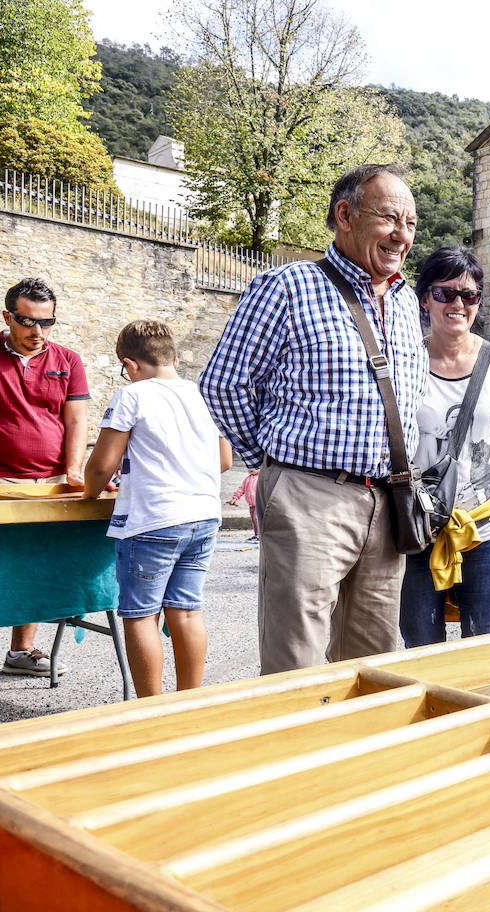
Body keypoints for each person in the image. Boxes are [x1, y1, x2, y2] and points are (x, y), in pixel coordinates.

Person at [199, 163, 427, 674]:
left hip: (389, 501)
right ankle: (293, 752)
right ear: (344, 215)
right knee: (294, 660)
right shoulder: (286, 286)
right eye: (389, 217)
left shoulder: (408, 300)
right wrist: (276, 463)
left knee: (374, 661)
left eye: (410, 223)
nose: (402, 235)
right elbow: (223, 384)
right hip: (309, 496)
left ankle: (359, 755)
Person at [82, 320, 231, 697]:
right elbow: (224, 460)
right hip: (202, 515)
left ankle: (150, 708)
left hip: (153, 519)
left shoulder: (132, 396)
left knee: (140, 617)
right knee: (186, 612)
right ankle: (189, 701)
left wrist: (89, 493)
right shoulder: (201, 395)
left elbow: (101, 465)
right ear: (174, 359)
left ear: (130, 365)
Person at [399, 246, 490, 644]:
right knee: (420, 642)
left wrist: (473, 488)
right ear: (425, 299)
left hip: (488, 524)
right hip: (417, 526)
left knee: (487, 643)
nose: (457, 303)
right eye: (445, 293)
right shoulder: (404, 362)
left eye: (468, 295)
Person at [0, 277, 87, 678]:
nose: (38, 332)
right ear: (7, 317)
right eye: (27, 321)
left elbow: (77, 419)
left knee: (32, 569)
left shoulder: (68, 360)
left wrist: (75, 469)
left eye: (47, 323)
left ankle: (21, 653)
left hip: (49, 483)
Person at [227, 468, 261, 541]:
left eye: (255, 468)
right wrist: (235, 498)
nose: (252, 469)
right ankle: (256, 534)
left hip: (259, 503)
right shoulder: (247, 479)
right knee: (254, 520)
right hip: (251, 504)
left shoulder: (261, 478)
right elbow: (241, 489)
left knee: (256, 518)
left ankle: (259, 535)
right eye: (250, 468)